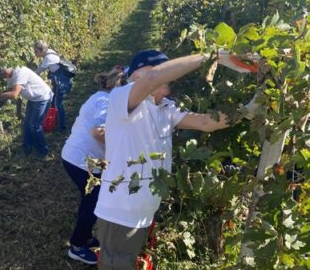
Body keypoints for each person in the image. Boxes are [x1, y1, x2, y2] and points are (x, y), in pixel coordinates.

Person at [94, 50, 258, 270]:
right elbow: (155, 78)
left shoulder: (165, 108)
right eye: (157, 68)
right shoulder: (121, 99)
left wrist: (249, 110)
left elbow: (206, 123)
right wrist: (213, 55)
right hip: (120, 214)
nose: (166, 74)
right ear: (136, 77)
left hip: (142, 211)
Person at [61, 67, 125, 265]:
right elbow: (99, 132)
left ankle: (86, 236)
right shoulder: (107, 102)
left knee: (90, 199)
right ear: (120, 86)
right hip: (82, 160)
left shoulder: (98, 96)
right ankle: (77, 246)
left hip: (75, 155)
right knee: (93, 202)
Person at [0, 65, 53, 158]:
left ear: (6, 69)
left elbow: (14, 94)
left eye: (1, 73)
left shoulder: (20, 73)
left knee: (34, 125)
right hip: (33, 98)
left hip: (42, 97)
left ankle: (43, 151)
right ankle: (27, 148)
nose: (1, 76)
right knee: (26, 124)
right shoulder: (9, 77)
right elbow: (8, 91)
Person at [34, 40, 73, 131]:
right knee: (54, 102)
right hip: (60, 81)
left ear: (42, 50)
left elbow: (38, 71)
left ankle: (62, 126)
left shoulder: (48, 58)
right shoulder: (50, 51)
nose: (35, 53)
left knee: (57, 103)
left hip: (61, 82)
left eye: (36, 51)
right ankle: (55, 122)